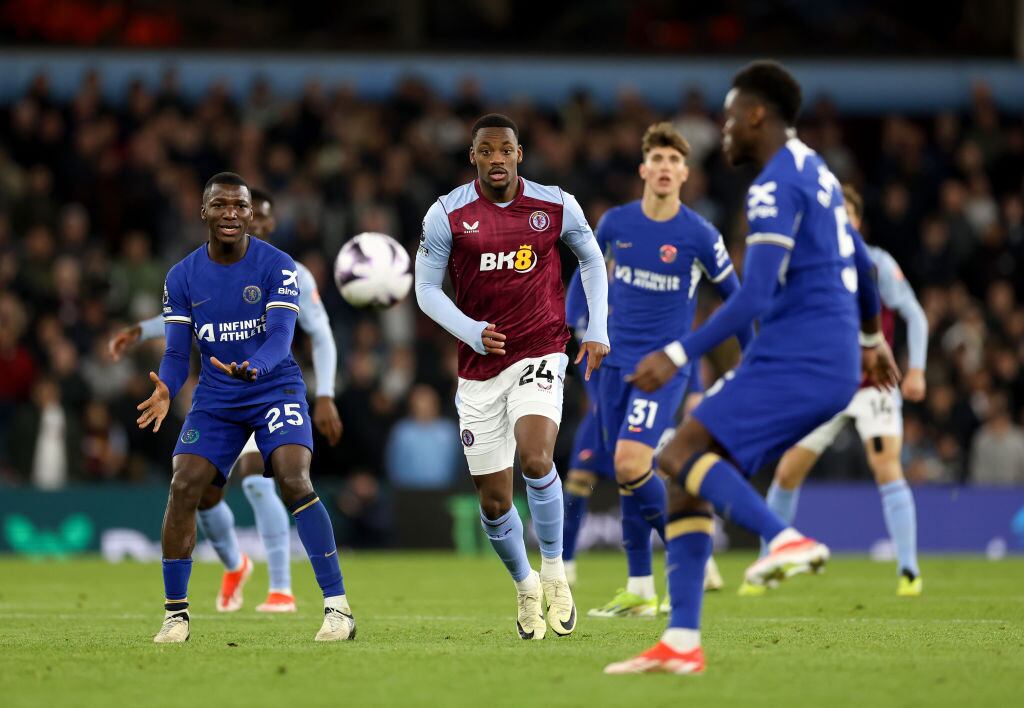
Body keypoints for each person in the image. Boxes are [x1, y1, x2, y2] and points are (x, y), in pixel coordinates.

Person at [605, 61, 898, 675]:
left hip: (799, 357)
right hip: (830, 356)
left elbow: (755, 296)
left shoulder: (771, 187)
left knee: (678, 452)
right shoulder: (817, 170)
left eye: (732, 115)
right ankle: (681, 643)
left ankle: (784, 538)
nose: (725, 127)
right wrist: (871, 338)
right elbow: (862, 267)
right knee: (686, 477)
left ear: (758, 115)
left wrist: (679, 352)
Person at [415, 113, 609, 640]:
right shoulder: (446, 214)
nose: (496, 159)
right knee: (495, 502)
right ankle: (524, 585)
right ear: (473, 157)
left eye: (505, 150)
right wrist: (471, 330)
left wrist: (598, 329)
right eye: (485, 151)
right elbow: (426, 291)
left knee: (537, 457)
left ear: (519, 154)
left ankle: (554, 571)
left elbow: (591, 260)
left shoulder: (555, 204)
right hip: (479, 370)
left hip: (542, 350)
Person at [137, 172, 353, 643]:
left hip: (274, 388)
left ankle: (338, 609)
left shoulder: (279, 266)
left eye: (239, 206)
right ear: (204, 212)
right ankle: (176, 615)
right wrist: (166, 390)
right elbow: (176, 356)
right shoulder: (182, 275)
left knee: (294, 479)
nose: (230, 214)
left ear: (252, 215)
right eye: (220, 206)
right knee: (183, 485)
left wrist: (254, 368)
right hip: (217, 399)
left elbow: (281, 337)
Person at [584, 123, 747, 619]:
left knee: (633, 464)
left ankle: (691, 550)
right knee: (627, 473)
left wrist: (754, 359)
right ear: (643, 169)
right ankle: (638, 588)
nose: (664, 167)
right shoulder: (615, 223)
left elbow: (738, 302)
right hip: (612, 363)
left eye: (674, 160)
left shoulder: (700, 235)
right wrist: (580, 325)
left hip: (665, 369)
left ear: (685, 174)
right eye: (656, 158)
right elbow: (587, 276)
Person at [760, 184, 928, 597]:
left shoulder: (877, 263)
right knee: (787, 472)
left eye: (848, 215)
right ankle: (768, 563)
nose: (842, 221)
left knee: (887, 467)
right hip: (828, 384)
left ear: (858, 221)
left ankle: (908, 569)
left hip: (875, 385)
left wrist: (918, 370)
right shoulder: (811, 265)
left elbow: (916, 316)